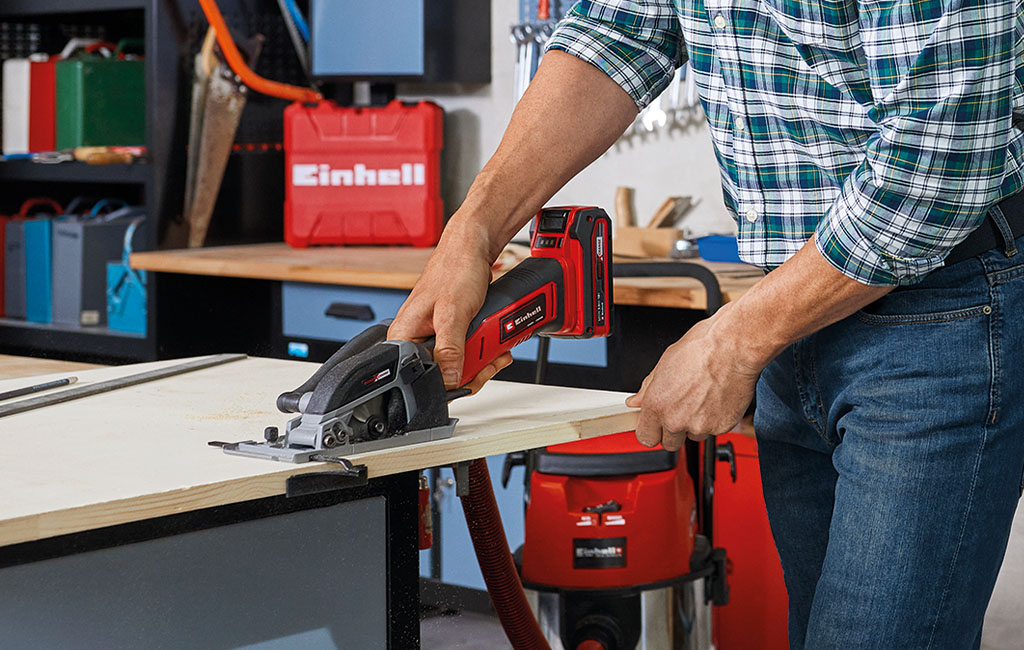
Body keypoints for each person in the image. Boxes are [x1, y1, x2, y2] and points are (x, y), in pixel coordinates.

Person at [388, 0, 1024, 647]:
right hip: (793, 307)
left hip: (936, 307)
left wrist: (733, 342)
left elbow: (939, 161)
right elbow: (620, 30)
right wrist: (471, 230)